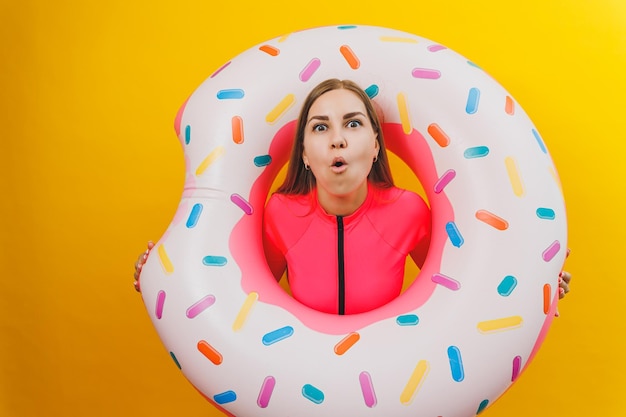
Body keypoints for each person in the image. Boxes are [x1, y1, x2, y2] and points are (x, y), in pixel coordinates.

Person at [133, 78, 572, 313]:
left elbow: (472, 282)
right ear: (304, 153)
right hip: (303, 380)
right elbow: (234, 296)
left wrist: (534, 284)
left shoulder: (408, 211)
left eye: (353, 124)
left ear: (376, 145)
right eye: (320, 127)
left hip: (394, 382)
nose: (337, 140)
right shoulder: (280, 214)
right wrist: (163, 278)